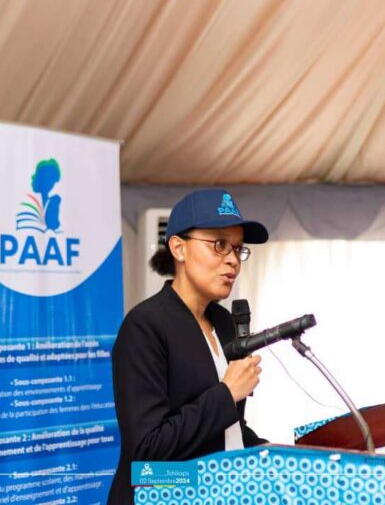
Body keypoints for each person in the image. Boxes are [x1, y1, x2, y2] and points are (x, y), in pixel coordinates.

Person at [108, 189, 269, 504]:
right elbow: (146, 461)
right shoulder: (144, 327)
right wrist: (226, 394)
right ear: (179, 248)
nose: (233, 260)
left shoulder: (224, 322)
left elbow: (227, 431)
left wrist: (267, 453)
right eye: (219, 244)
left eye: (238, 249)